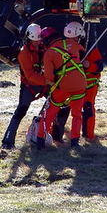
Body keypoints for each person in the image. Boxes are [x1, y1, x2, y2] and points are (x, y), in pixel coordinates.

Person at [0, 24, 52, 150]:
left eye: (39, 39)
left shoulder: (44, 48)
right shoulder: (24, 53)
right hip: (30, 86)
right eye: (35, 40)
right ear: (29, 39)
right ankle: (8, 141)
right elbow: (29, 75)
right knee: (21, 111)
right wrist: (48, 81)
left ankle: (55, 136)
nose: (38, 42)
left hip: (45, 84)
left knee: (57, 106)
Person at [37, 21, 87, 149]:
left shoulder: (49, 53)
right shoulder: (74, 44)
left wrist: (52, 85)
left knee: (49, 114)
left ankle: (40, 140)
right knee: (77, 114)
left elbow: (49, 77)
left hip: (62, 87)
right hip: (80, 85)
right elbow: (83, 54)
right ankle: (75, 142)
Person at [52, 40, 104, 143]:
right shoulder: (65, 49)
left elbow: (100, 67)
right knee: (63, 108)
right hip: (71, 84)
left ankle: (88, 135)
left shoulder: (91, 49)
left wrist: (89, 65)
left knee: (88, 108)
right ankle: (56, 137)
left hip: (89, 86)